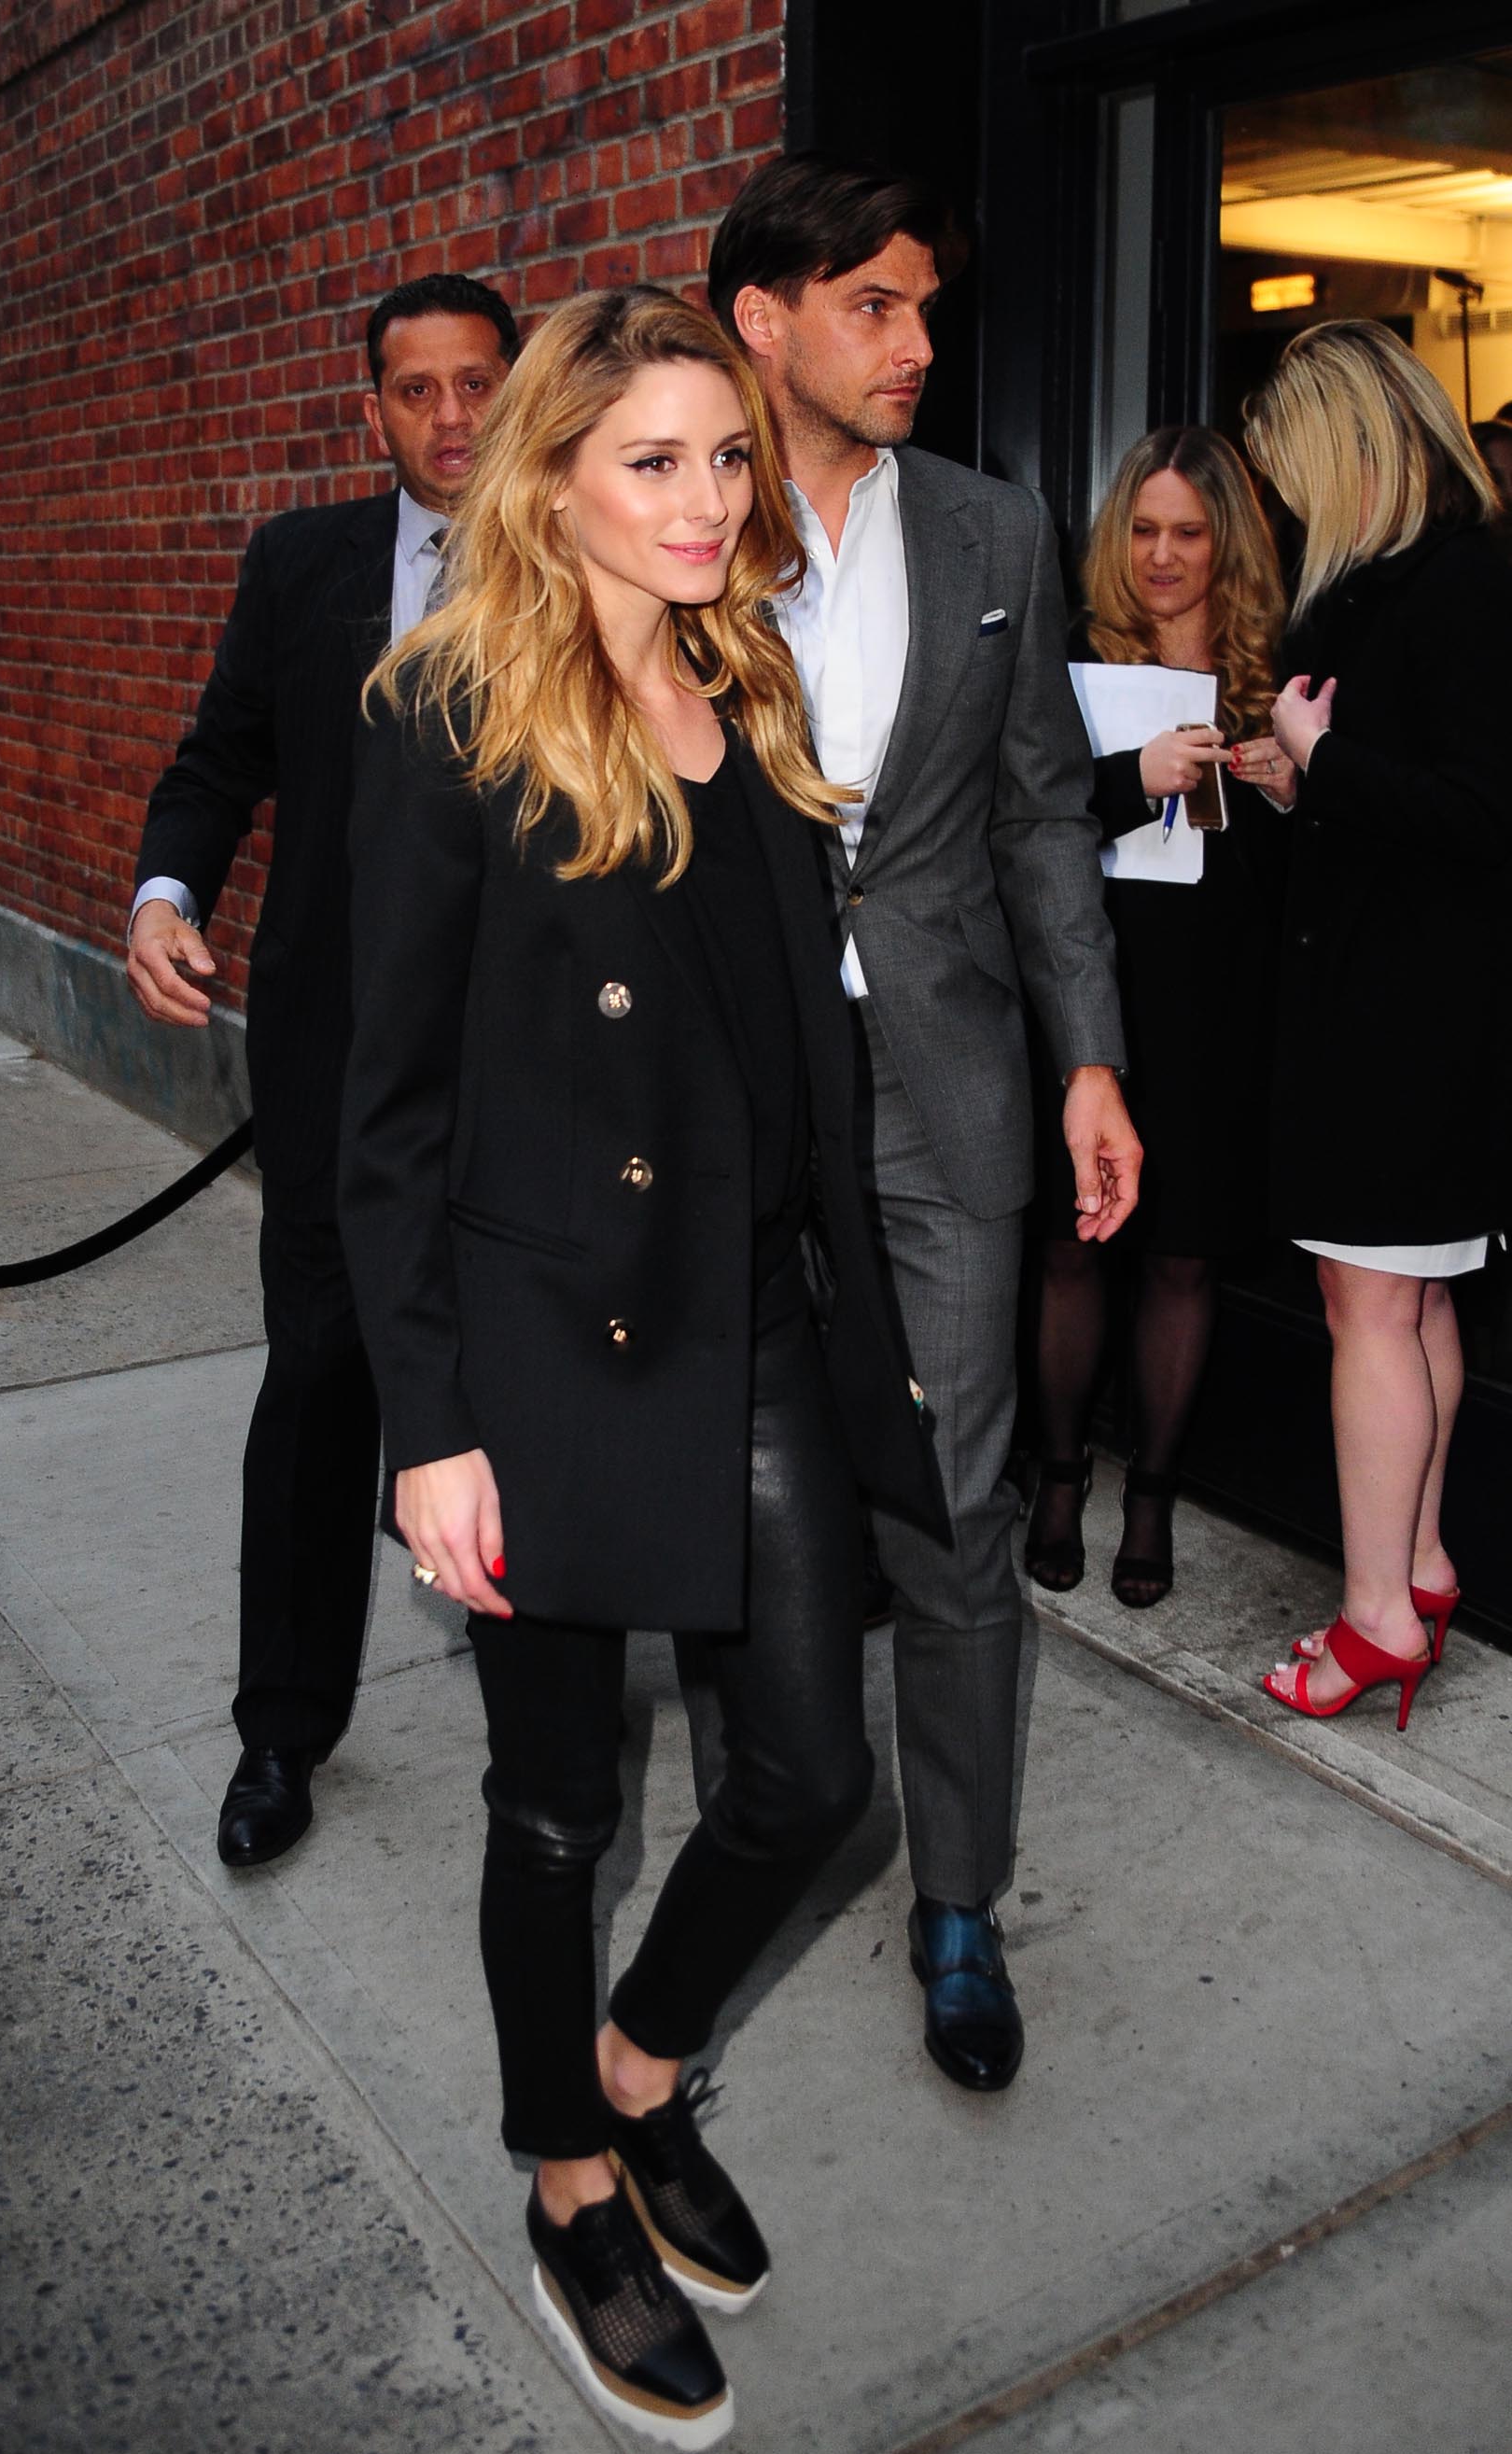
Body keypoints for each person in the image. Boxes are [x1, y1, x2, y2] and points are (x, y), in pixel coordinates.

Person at [338, 287, 940, 2451]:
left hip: (759, 1304)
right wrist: (430, 1425)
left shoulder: (743, 670)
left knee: (807, 1774)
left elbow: (796, 1028)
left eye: (721, 457)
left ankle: (636, 2062)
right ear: (555, 477)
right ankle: (570, 2171)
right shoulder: (450, 718)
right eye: (653, 461)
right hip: (550, 1336)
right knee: (560, 1799)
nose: (704, 500)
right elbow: (382, 1112)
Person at [709, 155, 1138, 2096]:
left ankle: (960, 1898)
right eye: (875, 304)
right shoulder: (668, 522)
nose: (918, 342)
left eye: (924, 306)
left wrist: (1089, 1058)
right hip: (727, 1094)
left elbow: (1046, 805)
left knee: (958, 1507)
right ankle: (756, 1863)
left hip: (952, 1086)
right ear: (763, 320)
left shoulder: (994, 529)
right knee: (739, 1495)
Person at [125, 275, 519, 1867]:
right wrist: (166, 892)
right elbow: (220, 756)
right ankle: (280, 1734)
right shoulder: (301, 565)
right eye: (412, 389)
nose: (447, 416)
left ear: (518, 385)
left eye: (475, 381)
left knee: (517, 1397)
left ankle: (541, 1741)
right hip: (338, 1069)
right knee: (318, 1390)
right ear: (373, 409)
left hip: (530, 1079)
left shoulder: (599, 557)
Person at [1244, 319, 1512, 1726]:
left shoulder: (1464, 585)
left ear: (1352, 444)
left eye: (1293, 461)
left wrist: (1321, 758)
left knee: (1375, 1307)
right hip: (1381, 1003)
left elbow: (1484, 813)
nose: (1283, 494)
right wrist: (1310, 785)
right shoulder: (1395, 588)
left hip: (1415, 1018)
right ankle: (1414, 1566)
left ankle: (1373, 1621)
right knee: (1402, 1299)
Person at [1025, 427, 1290, 1607]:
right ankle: (1063, 1474)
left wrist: (1289, 787)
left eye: (1189, 532)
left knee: (1185, 1260)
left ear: (1228, 543)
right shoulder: (1069, 660)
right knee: (1075, 1248)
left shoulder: (1275, 672)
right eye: (1143, 530)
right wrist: (1136, 774)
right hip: (1095, 991)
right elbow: (1020, 820)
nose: (1164, 556)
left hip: (1216, 1002)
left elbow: (1307, 882)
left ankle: (1153, 1496)